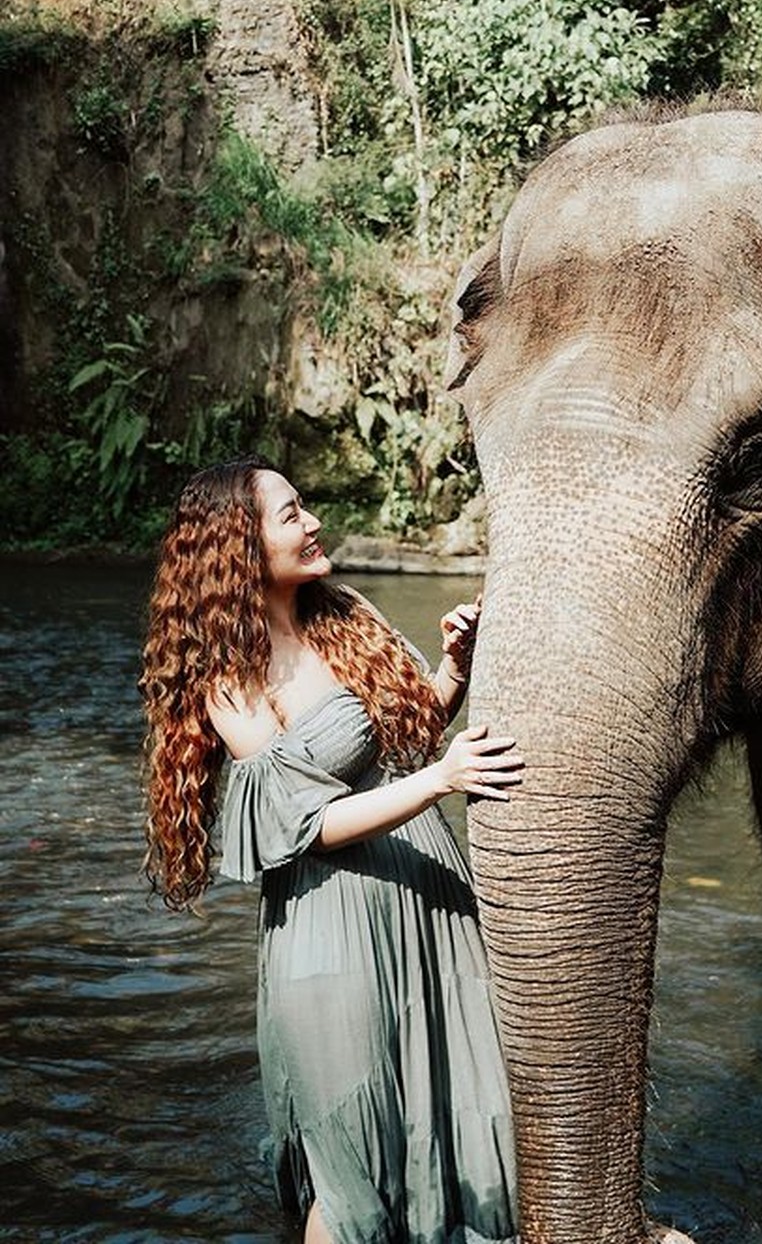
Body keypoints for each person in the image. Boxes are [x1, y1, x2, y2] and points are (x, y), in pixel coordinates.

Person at [140, 453, 523, 1244]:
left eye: (303, 504)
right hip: (329, 934)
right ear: (237, 545)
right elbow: (305, 826)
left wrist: (453, 667)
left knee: (456, 1135)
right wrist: (441, 783)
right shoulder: (229, 679)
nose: (312, 521)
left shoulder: (344, 612)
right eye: (289, 514)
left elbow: (414, 734)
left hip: (426, 909)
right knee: (356, 1175)